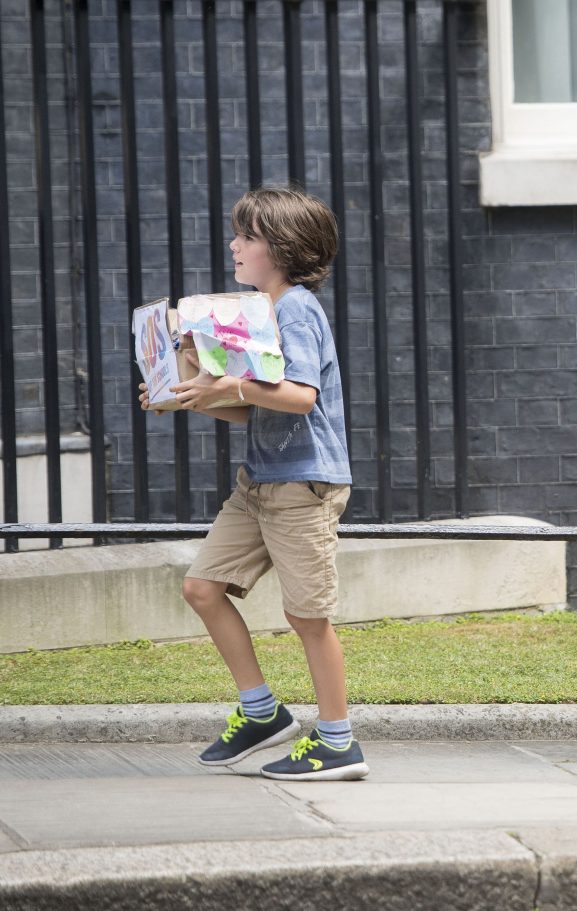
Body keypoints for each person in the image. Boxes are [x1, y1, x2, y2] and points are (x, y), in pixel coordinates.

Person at [140, 185, 365, 780]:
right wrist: (187, 394)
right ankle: (263, 713)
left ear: (283, 248)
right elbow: (251, 410)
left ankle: (339, 741)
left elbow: (299, 397)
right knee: (202, 588)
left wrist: (224, 386)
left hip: (304, 486)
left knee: (308, 617)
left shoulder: (296, 310)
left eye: (248, 237)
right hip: (261, 480)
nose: (234, 245)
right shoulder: (264, 312)